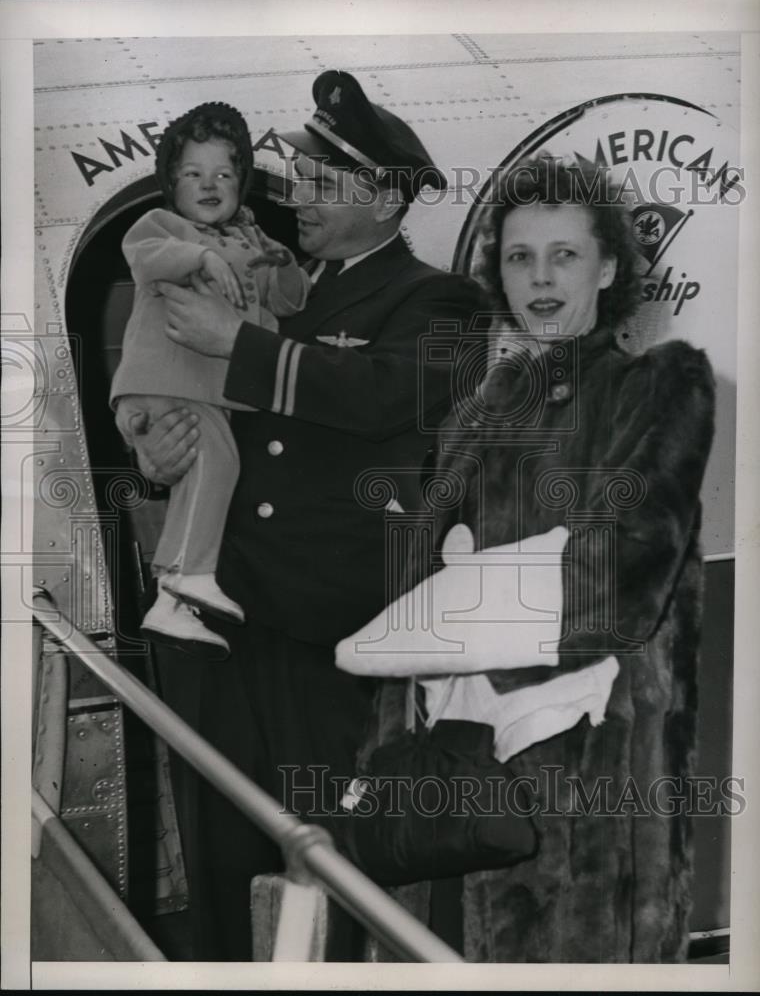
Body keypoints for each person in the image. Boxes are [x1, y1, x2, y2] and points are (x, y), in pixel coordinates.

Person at [123, 70, 483, 959]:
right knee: (220, 856)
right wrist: (156, 445)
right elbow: (190, 390)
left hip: (329, 638)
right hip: (224, 614)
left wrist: (234, 344)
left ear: (390, 198)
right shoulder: (280, 279)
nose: (300, 195)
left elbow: (370, 395)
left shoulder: (442, 304)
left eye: (326, 183)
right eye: (301, 177)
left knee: (327, 865)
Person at [352, 155, 716, 962]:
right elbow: (408, 614)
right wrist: (383, 765)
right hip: (446, 793)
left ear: (610, 267)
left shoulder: (657, 387)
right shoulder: (477, 416)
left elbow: (612, 587)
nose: (541, 278)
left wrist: (450, 610)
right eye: (520, 257)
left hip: (584, 793)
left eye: (566, 255)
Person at [111, 102, 309, 658]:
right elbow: (144, 256)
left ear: (242, 184)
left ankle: (171, 603)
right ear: (170, 183)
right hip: (169, 380)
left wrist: (283, 263)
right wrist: (201, 255)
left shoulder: (252, 241)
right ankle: (188, 575)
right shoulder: (162, 226)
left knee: (203, 475)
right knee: (217, 464)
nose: (209, 184)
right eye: (193, 174)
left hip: (202, 392)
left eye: (224, 174)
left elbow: (290, 301)